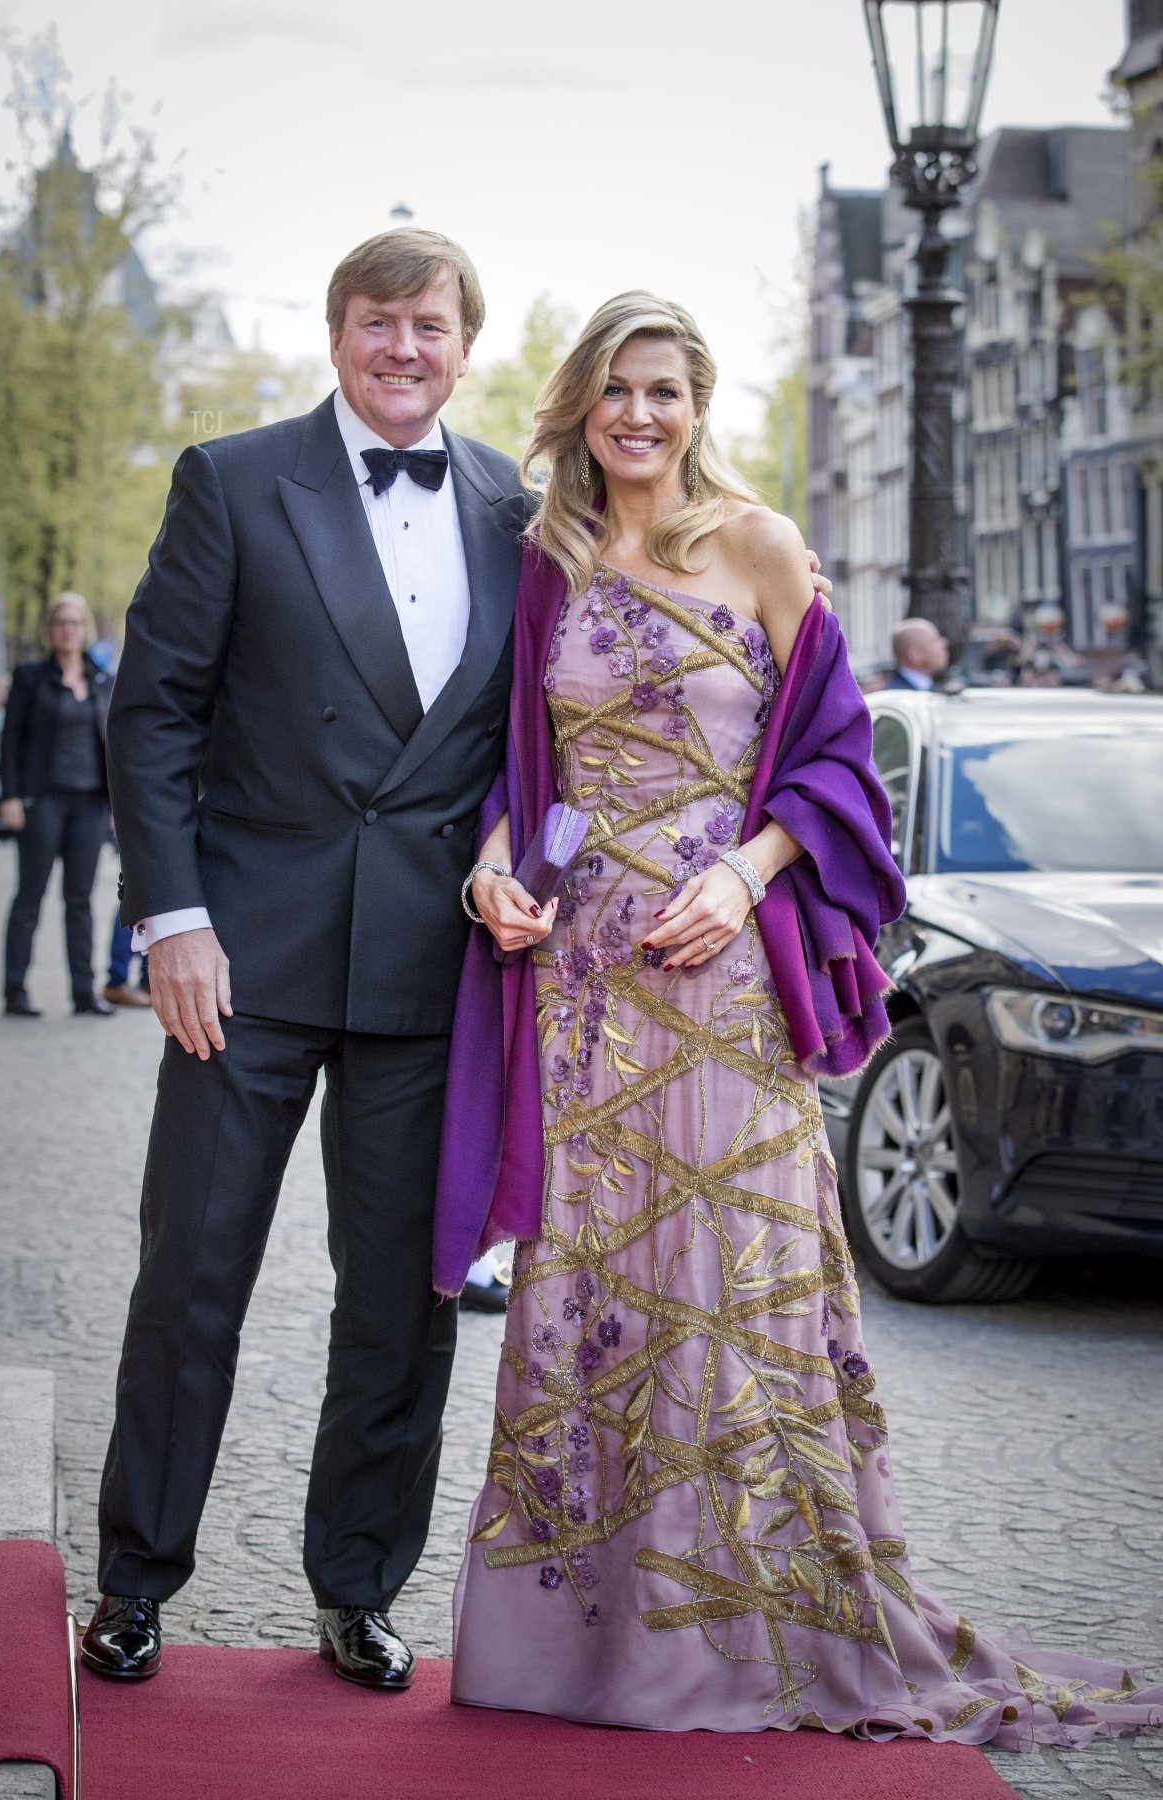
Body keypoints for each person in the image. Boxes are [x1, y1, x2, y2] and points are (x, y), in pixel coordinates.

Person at [81, 230, 832, 1694]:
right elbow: (154, 715)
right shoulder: (229, 481)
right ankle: (136, 1581)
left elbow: (542, 746)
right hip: (238, 964)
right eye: (380, 323)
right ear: (339, 330)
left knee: (405, 1302)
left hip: (441, 972)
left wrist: (545, 871)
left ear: (466, 344)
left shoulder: (520, 511)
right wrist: (172, 921)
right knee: (193, 1278)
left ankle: (356, 1588)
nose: (404, 349)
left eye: (430, 325)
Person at [438, 294, 1163, 1747]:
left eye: (663, 391)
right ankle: (580, 1647)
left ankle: (738, 1638)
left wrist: (744, 870)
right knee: (599, 1289)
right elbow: (528, 766)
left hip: (719, 973)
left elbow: (836, 768)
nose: (637, 416)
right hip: (582, 982)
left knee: (729, 1279)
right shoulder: (549, 562)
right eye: (614, 392)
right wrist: (493, 865)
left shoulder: (762, 547)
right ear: (581, 405)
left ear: (699, 404)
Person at [0, 594, 116, 1018]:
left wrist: (117, 803)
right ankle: (15, 991)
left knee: (81, 900)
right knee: (30, 895)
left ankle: (84, 992)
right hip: (42, 799)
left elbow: (113, 746)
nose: (68, 629)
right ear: (50, 628)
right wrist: (10, 795)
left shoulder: (102, 679)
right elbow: (10, 741)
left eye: (75, 622)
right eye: (60, 622)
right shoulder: (30, 678)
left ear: (85, 629)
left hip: (90, 804)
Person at [884, 616, 949, 690]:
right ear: (915, 655)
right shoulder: (897, 696)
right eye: (934, 640)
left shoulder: (925, 687)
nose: (944, 643)